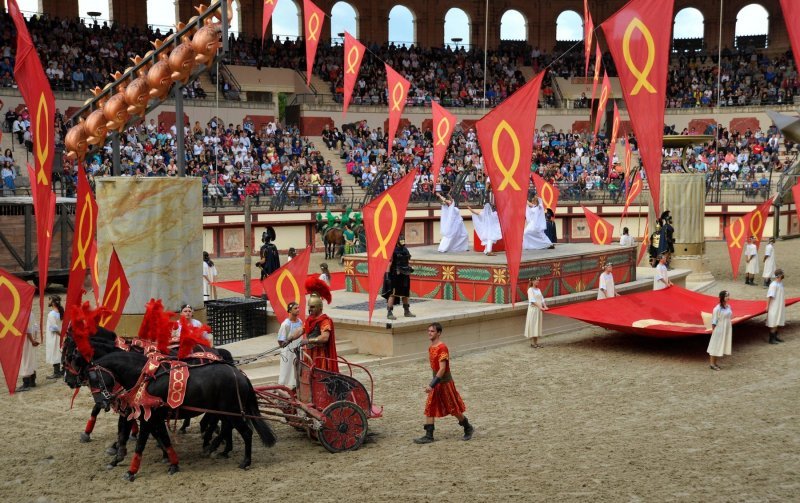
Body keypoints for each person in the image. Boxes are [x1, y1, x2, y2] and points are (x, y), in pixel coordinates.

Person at [413, 322, 474, 444]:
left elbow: (442, 369)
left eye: (432, 331)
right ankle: (429, 435)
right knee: (430, 407)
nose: (429, 333)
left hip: (444, 383)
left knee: (453, 409)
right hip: (437, 383)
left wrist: (431, 384)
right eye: (429, 331)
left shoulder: (442, 348)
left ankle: (468, 427)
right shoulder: (431, 347)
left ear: (439, 333)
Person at [298, 278, 338, 372]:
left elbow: (324, 338)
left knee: (318, 375)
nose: (310, 309)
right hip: (309, 353)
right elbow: (301, 330)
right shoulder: (310, 320)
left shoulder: (324, 321)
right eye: (309, 307)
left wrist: (308, 341)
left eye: (312, 307)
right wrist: (289, 338)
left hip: (320, 355)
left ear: (319, 308)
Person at [383, 234, 415, 320]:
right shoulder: (392, 250)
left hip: (405, 274)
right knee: (393, 294)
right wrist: (387, 276)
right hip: (395, 275)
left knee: (405, 294)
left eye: (403, 240)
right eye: (401, 241)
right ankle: (389, 312)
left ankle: (407, 311)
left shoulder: (405, 249)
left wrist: (410, 268)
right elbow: (389, 264)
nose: (402, 242)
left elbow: (407, 261)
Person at [276, 302, 304, 389]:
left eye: (298, 308)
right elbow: (280, 340)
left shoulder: (300, 322)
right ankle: (283, 386)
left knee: (297, 366)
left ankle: (296, 385)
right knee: (287, 368)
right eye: (295, 308)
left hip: (298, 349)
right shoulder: (285, 324)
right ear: (290, 311)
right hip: (288, 351)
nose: (298, 310)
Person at [707, 290, 733, 370]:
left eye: (728, 295)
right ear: (722, 297)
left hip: (726, 328)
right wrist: (714, 331)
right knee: (715, 345)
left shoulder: (728, 307)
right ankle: (712, 364)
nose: (728, 297)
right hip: (719, 328)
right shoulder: (717, 309)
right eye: (726, 296)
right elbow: (714, 321)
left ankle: (715, 363)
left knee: (719, 345)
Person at [15, 312, 39, 392]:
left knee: (25, 360)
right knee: (31, 359)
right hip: (31, 340)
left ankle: (26, 383)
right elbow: (36, 327)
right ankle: (32, 381)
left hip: (26, 340)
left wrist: (32, 340)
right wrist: (35, 339)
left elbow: (26, 329)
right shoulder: (31, 313)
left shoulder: (22, 314)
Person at [524, 277, 549, 348]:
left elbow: (542, 299)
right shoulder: (530, 290)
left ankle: (536, 342)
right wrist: (540, 307)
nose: (538, 281)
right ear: (532, 281)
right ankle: (532, 343)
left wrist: (545, 306)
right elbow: (532, 300)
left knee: (537, 325)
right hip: (533, 310)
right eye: (536, 280)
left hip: (538, 310)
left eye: (538, 280)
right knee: (533, 325)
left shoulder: (538, 289)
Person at [45, 295, 64, 379]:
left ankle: (56, 372)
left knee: (54, 352)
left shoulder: (51, 314)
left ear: (52, 303)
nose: (48, 301)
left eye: (49, 299)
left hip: (55, 336)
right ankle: (62, 370)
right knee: (59, 352)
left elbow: (54, 328)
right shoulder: (60, 312)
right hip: (60, 335)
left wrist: (61, 335)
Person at [766, 268, 786, 344]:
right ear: (779, 275)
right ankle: (771, 339)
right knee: (774, 321)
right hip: (774, 306)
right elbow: (769, 296)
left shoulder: (780, 283)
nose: (783, 275)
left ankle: (775, 337)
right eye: (782, 274)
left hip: (779, 305)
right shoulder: (773, 285)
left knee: (777, 320)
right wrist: (767, 306)